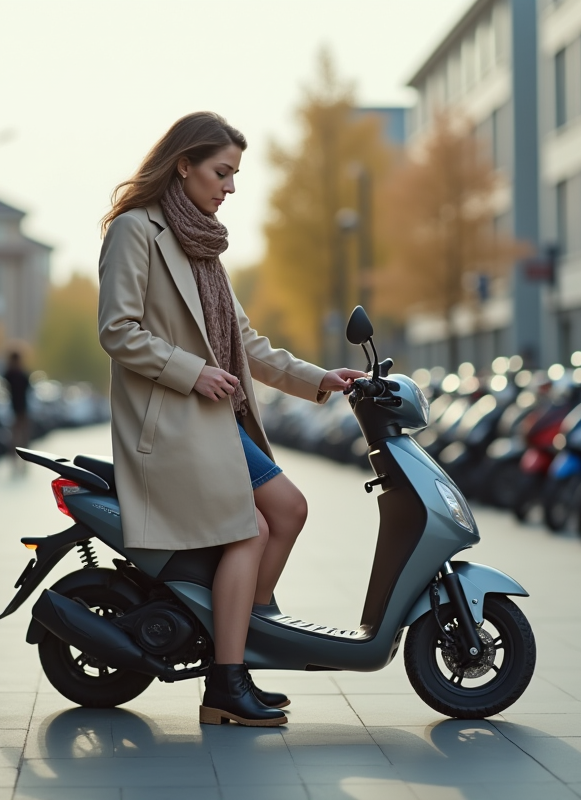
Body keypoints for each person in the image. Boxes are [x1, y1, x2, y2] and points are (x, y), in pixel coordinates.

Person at [98, 112, 365, 727]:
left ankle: (238, 632)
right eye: (223, 172)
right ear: (183, 163)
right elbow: (117, 331)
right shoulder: (135, 231)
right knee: (251, 531)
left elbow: (248, 346)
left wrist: (319, 378)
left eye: (235, 174)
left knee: (290, 510)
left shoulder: (204, 245)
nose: (231, 187)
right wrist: (191, 370)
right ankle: (227, 677)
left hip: (216, 422)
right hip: (171, 424)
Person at [4, 351, 31, 472]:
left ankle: (22, 463)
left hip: (20, 409)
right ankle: (16, 463)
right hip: (15, 409)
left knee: (20, 437)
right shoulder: (10, 375)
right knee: (16, 438)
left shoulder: (15, 375)